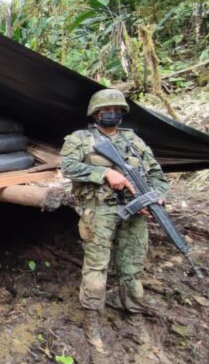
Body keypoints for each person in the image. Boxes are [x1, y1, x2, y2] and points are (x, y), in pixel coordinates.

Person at [61, 89, 169, 352]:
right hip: (99, 211)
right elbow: (67, 166)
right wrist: (104, 173)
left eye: (118, 110)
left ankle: (134, 312)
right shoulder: (81, 139)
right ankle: (92, 319)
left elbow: (156, 172)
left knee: (132, 264)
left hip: (135, 212)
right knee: (96, 266)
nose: (113, 114)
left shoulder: (134, 141)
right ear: (96, 113)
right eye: (107, 110)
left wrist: (156, 197)